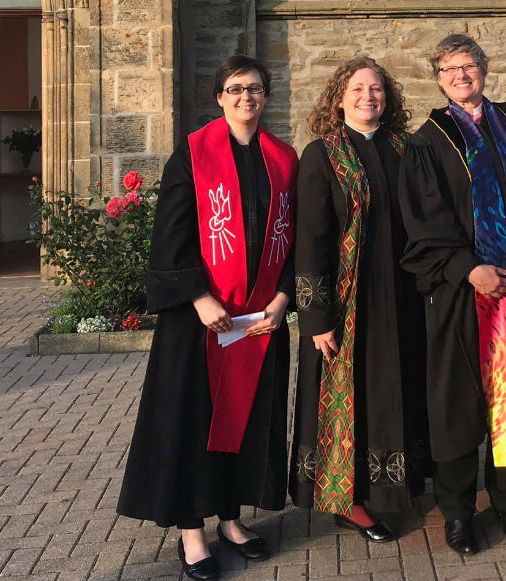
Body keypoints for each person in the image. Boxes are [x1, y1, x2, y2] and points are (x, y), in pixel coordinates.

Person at [116, 54, 298, 581]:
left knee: (247, 420)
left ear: (267, 96)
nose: (247, 97)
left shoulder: (282, 160)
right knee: (195, 420)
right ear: (219, 96)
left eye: (256, 88)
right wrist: (198, 297)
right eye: (236, 89)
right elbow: (170, 235)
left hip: (258, 321)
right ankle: (192, 532)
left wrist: (283, 298)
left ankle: (231, 519)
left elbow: (293, 243)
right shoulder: (194, 154)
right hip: (201, 321)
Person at [398, 34, 506, 555]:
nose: (460, 75)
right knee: (456, 408)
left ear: (484, 68)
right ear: (438, 79)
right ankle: (459, 513)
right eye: (449, 69)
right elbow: (424, 225)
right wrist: (469, 268)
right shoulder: (428, 143)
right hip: (462, 295)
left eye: (468, 65)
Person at [289, 57, 429, 542]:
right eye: (358, 88)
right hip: (346, 304)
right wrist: (316, 318)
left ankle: (394, 488)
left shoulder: (403, 148)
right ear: (339, 97)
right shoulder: (321, 155)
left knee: (394, 391)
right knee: (355, 398)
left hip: (401, 296)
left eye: (376, 89)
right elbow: (310, 240)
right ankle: (348, 500)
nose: (368, 96)